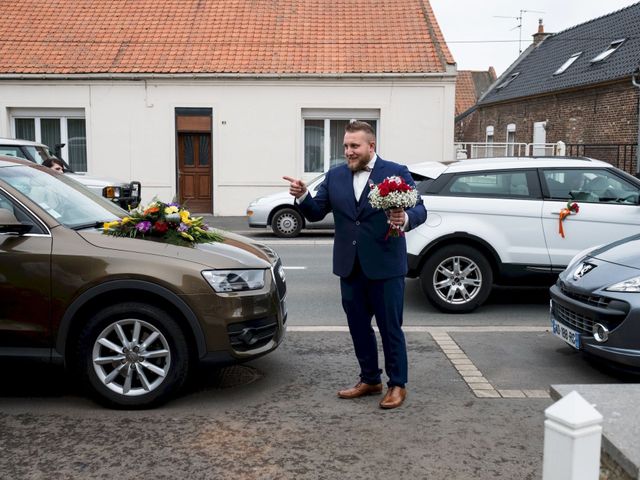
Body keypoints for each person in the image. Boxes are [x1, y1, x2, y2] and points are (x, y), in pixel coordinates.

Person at [283, 120, 427, 409]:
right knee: (359, 327)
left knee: (390, 328)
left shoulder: (396, 172)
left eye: (354, 146)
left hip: (386, 267)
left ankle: (397, 384)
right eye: (346, 146)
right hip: (350, 267)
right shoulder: (335, 176)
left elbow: (420, 208)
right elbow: (315, 212)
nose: (348, 151)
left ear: (371, 146)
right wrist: (302, 196)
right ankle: (370, 379)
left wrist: (406, 219)